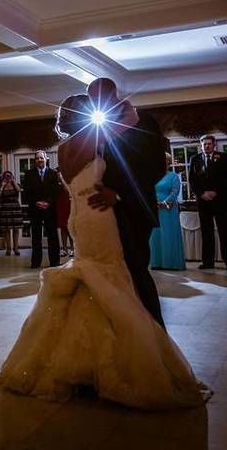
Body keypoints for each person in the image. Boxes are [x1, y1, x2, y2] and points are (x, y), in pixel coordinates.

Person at [0, 91, 208, 408]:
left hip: (78, 220)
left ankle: (84, 362)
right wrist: (125, 108)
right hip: (99, 218)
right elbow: (132, 123)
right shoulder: (95, 135)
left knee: (90, 276)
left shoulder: (64, 147)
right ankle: (125, 361)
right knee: (111, 279)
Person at [86, 78, 170, 327]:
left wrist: (119, 193)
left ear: (114, 94)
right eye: (92, 98)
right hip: (103, 213)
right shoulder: (96, 125)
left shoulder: (142, 121)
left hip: (134, 208)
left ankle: (154, 333)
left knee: (135, 270)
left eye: (100, 96)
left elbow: (156, 168)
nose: (96, 102)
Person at [188, 135, 227, 271]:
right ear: (201, 145)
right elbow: (192, 180)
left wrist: (215, 192)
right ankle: (208, 262)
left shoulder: (224, 157)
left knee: (224, 232)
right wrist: (201, 194)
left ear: (214, 144)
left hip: (220, 200)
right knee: (206, 232)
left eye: (209, 143)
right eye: (204, 144)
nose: (206, 146)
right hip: (203, 202)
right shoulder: (195, 159)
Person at [23, 150, 62, 268]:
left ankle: (54, 261)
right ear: (35, 161)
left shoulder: (53, 173)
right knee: (36, 237)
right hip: (35, 210)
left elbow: (56, 191)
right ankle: (35, 262)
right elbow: (26, 192)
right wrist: (36, 202)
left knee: (53, 236)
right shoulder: (29, 174)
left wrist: (48, 203)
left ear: (46, 159)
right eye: (37, 158)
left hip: (50, 210)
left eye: (41, 158)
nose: (40, 160)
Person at [149, 154, 185, 270]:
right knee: (156, 234)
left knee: (169, 234)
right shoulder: (152, 176)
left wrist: (164, 203)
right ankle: (156, 262)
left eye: (165, 160)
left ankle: (171, 263)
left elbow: (175, 192)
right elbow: (148, 189)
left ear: (169, 162)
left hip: (168, 208)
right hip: (154, 208)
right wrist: (154, 202)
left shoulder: (173, 176)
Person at [0, 171, 23, 256]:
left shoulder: (16, 184)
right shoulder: (2, 185)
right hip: (5, 208)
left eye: (9, 176)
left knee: (16, 229)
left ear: (12, 176)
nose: (8, 178)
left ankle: (16, 248)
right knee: (6, 229)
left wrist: (13, 181)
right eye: (6, 176)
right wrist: (3, 185)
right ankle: (8, 248)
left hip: (15, 208)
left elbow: (19, 190)